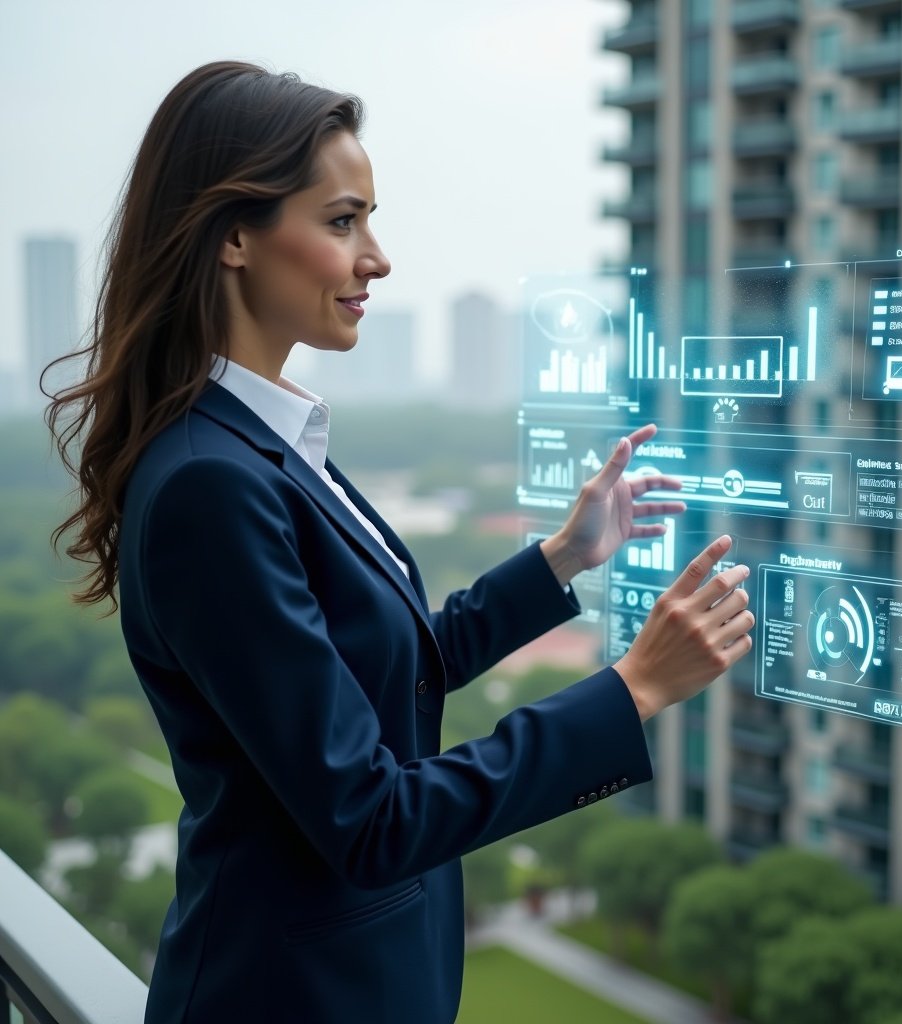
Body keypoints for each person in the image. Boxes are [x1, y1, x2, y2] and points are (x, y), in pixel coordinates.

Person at [46, 61, 754, 1024]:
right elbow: (371, 818)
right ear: (235, 237)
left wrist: (562, 558)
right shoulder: (212, 484)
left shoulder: (262, 443)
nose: (376, 259)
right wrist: (633, 689)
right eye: (343, 222)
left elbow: (391, 670)